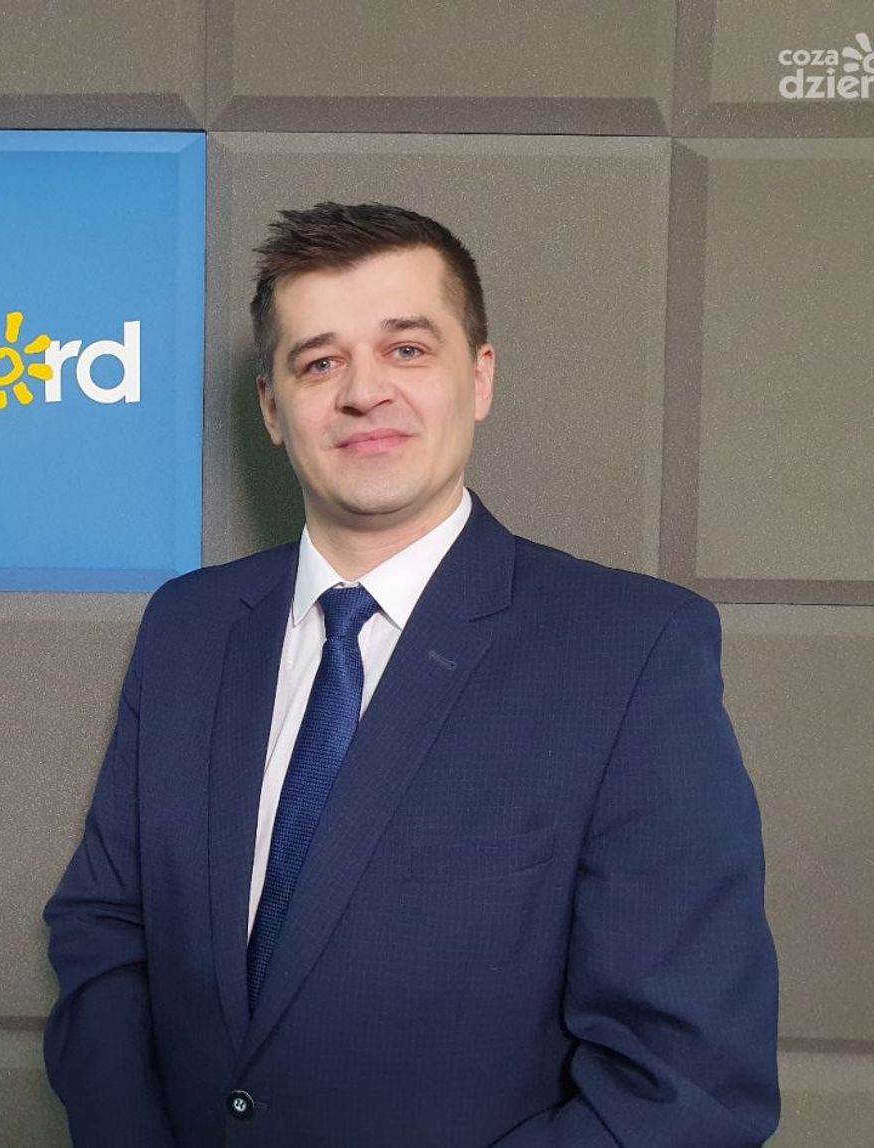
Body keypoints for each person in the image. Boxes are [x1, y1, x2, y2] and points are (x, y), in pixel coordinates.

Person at [42, 202, 780, 1147]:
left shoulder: (632, 651)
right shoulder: (189, 627)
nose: (364, 392)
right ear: (272, 409)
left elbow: (686, 1084)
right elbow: (107, 927)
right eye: (319, 362)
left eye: (407, 349)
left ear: (479, 377)